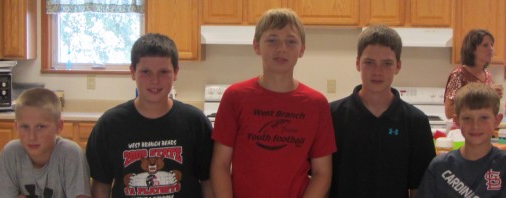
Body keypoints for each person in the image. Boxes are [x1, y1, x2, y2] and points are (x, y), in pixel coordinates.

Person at [210, 8, 336, 198]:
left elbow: (322, 173)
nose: (281, 48)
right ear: (256, 45)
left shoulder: (316, 104)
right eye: (272, 40)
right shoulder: (235, 96)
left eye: (291, 41)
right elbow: (220, 165)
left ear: (302, 49)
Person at [86, 33, 214, 197]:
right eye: (146, 71)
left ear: (175, 72)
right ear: (132, 72)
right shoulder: (110, 124)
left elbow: (208, 183)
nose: (155, 80)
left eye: (163, 72)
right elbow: (100, 185)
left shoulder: (196, 123)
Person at [328, 24, 435, 198]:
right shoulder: (332, 116)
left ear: (398, 66)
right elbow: (322, 178)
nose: (378, 71)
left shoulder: (415, 122)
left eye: (387, 63)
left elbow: (419, 188)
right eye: (369, 62)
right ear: (357, 63)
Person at [417, 83, 506, 198]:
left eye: (484, 118)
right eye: (467, 118)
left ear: (497, 120)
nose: (475, 126)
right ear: (457, 121)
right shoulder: (440, 166)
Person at [0, 88, 90, 198]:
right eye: (25, 127)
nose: (32, 137)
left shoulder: (70, 154)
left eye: (41, 127)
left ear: (59, 126)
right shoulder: (11, 153)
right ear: (16, 126)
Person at [444, 29, 501, 124]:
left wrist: (494, 97)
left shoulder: (487, 75)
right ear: (472, 50)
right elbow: (449, 112)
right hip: (463, 130)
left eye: (492, 45)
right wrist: (483, 95)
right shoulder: (459, 75)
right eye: (485, 45)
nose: (491, 49)